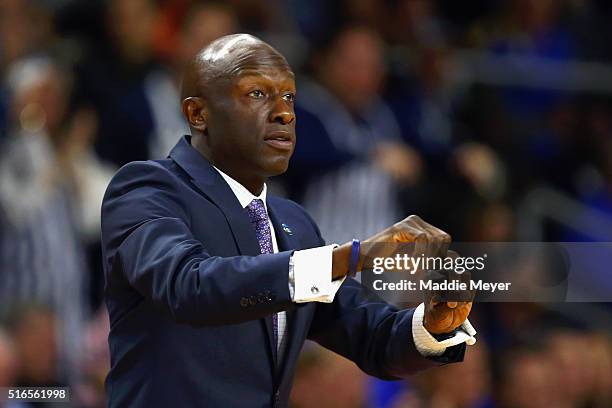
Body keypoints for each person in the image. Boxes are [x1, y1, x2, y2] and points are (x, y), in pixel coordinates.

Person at [101, 34, 476, 407]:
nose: (284, 112)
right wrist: (354, 256)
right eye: (257, 94)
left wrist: (434, 323)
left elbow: (371, 336)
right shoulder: (148, 190)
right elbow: (190, 286)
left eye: (289, 96)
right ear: (199, 114)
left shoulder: (292, 222)